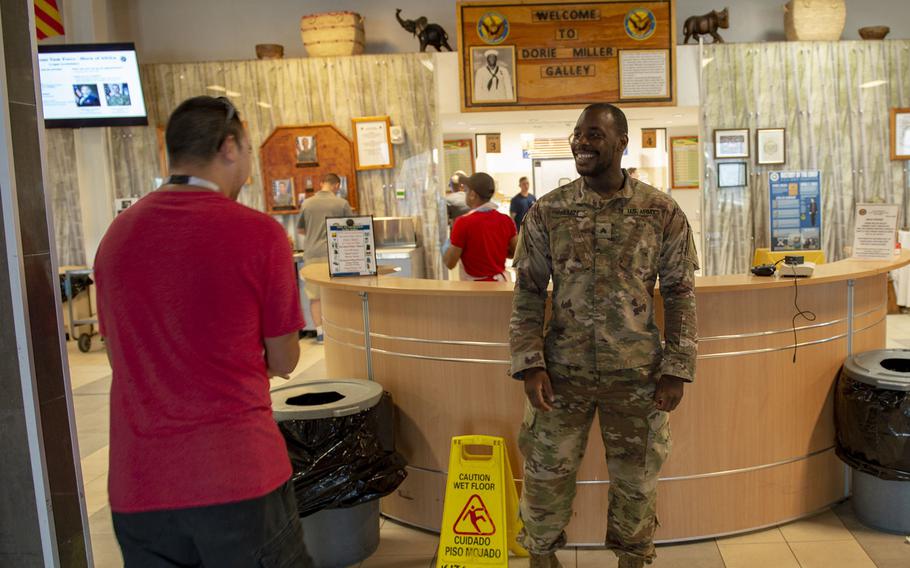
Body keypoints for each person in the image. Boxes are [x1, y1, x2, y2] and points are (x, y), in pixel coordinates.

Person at [94, 96, 311, 567]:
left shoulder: (116, 237)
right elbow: (285, 360)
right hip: (236, 476)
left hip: (139, 486)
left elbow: (119, 358)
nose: (249, 167)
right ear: (229, 148)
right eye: (250, 151)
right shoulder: (258, 234)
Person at [510, 103, 698, 568]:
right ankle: (541, 557)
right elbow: (529, 292)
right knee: (545, 477)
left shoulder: (660, 212)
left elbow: (679, 296)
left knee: (637, 481)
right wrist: (530, 363)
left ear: (621, 143)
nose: (581, 143)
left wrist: (677, 369)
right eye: (577, 134)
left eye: (594, 134)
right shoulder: (548, 212)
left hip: (637, 377)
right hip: (561, 375)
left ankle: (633, 558)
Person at [297, 172, 354, 342]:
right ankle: (340, 331)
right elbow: (352, 229)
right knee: (337, 295)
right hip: (335, 254)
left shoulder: (306, 203)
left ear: (321, 183)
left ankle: (321, 333)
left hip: (312, 254)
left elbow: (301, 230)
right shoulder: (341, 203)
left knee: (315, 296)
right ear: (337, 186)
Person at [443, 172, 518, 281]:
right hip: (501, 286)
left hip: (476, 290)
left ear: (472, 195)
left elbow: (450, 262)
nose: (465, 194)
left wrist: (445, 245)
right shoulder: (506, 220)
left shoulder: (463, 223)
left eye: (466, 191)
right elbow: (516, 253)